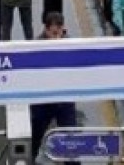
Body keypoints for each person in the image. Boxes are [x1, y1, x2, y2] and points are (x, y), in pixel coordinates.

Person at [29, 12, 78, 163]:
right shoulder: (36, 47)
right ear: (46, 30)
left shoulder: (70, 45)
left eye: (59, 33)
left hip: (64, 101)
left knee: (71, 141)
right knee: (35, 137)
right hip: (43, 101)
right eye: (53, 34)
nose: (56, 38)